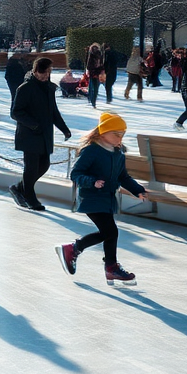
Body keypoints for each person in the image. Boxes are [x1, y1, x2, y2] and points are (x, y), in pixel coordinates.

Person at [56, 113, 146, 287]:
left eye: (122, 134)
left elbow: (123, 176)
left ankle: (109, 267)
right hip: (91, 197)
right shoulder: (92, 151)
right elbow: (76, 173)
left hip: (107, 198)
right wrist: (92, 182)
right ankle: (74, 249)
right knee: (110, 232)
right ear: (103, 132)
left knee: (110, 233)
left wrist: (138, 190)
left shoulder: (118, 154)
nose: (120, 138)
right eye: (116, 134)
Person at [9, 57, 71, 212]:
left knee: (44, 165)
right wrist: (33, 124)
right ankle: (30, 197)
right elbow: (15, 112)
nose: (45, 76)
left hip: (44, 134)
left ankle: (18, 188)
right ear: (35, 71)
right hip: (29, 134)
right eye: (42, 72)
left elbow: (54, 112)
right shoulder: (25, 88)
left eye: (48, 72)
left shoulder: (49, 88)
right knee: (31, 168)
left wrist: (64, 128)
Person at [84, 43, 105, 109]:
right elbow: (100, 64)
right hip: (95, 73)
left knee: (93, 87)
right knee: (94, 87)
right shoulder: (97, 54)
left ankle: (92, 100)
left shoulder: (93, 54)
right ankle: (92, 100)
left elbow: (88, 64)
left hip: (94, 73)